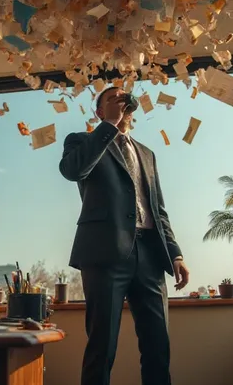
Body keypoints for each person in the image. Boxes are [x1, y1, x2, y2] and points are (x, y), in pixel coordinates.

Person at [59, 86, 190, 385]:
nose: (122, 101)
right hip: (104, 254)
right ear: (99, 111)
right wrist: (108, 127)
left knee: (158, 346)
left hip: (151, 258)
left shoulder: (147, 154)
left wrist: (176, 254)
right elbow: (72, 171)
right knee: (102, 346)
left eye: (124, 98)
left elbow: (158, 209)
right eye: (112, 98)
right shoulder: (82, 141)